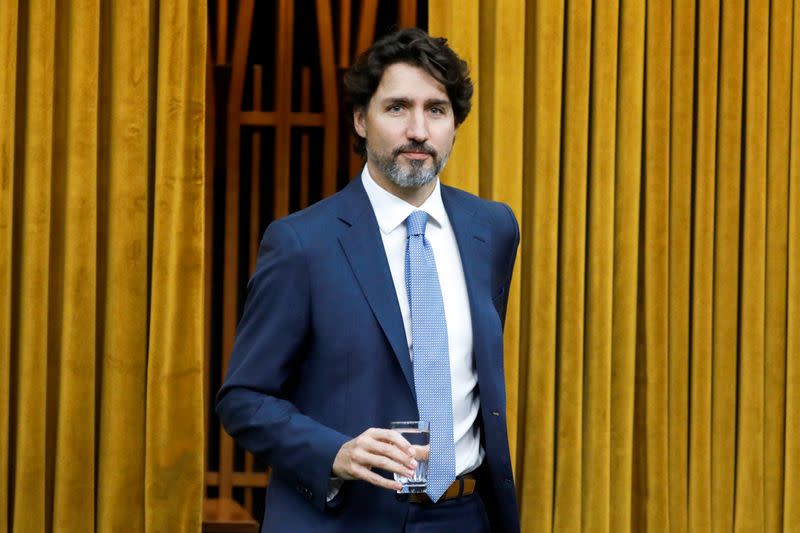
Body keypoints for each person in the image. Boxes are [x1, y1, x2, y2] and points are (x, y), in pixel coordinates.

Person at [216, 27, 520, 532]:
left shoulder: (492, 229)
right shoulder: (300, 244)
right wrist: (335, 452)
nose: (418, 130)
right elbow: (243, 400)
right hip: (348, 516)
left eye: (436, 110)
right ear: (360, 119)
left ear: (454, 125)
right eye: (397, 107)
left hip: (465, 514)